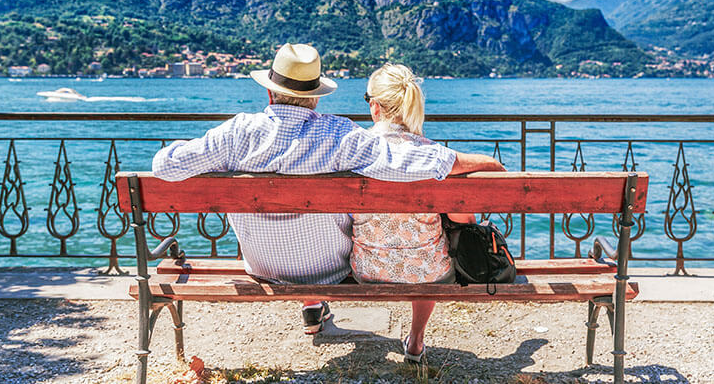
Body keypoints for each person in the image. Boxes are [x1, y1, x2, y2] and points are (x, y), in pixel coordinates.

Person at [152, 43, 504, 335]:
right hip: (329, 271)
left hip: (259, 265)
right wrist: (478, 162)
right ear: (316, 97)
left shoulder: (236, 132)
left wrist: (214, 151)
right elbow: (405, 163)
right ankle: (318, 300)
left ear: (269, 90)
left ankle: (312, 307)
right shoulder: (338, 134)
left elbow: (164, 166)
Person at [350, 63, 490, 364]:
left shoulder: (351, 151)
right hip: (430, 274)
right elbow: (492, 173)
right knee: (428, 250)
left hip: (366, 271)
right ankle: (416, 341)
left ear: (375, 106)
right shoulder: (435, 155)